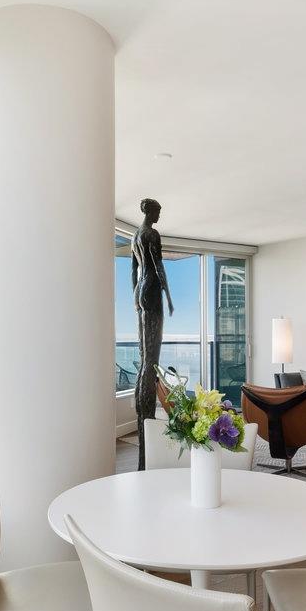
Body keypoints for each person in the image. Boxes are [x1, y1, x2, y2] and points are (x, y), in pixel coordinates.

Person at [132, 198, 173, 468]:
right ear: (151, 211)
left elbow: (133, 271)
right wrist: (168, 296)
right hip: (152, 290)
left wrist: (135, 298)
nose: (159, 215)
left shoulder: (135, 236)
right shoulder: (151, 234)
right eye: (158, 211)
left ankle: (142, 419)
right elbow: (158, 267)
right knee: (152, 360)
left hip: (140, 292)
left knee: (144, 358)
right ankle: (147, 418)